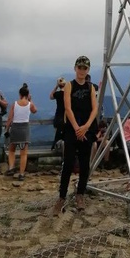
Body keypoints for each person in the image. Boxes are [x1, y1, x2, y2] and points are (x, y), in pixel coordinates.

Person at [53, 55, 98, 215]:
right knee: (68, 163)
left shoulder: (91, 87)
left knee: (85, 165)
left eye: (84, 68)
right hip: (72, 130)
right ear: (75, 68)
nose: (82, 70)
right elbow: (67, 108)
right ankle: (62, 197)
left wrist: (85, 127)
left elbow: (95, 109)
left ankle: (80, 194)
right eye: (79, 67)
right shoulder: (69, 86)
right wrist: (77, 128)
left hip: (86, 130)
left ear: (88, 70)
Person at [4, 83, 37, 181]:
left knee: (11, 149)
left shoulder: (15, 104)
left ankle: (11, 167)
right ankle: (21, 174)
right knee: (24, 153)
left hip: (15, 128)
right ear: (27, 94)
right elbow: (35, 111)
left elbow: (10, 118)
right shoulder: (30, 104)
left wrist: (7, 129)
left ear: (20, 94)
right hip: (25, 129)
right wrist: (30, 100)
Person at [50, 76, 66, 150]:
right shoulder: (67, 94)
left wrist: (56, 86)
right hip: (66, 116)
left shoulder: (58, 94)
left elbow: (51, 96)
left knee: (57, 132)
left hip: (58, 115)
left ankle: (56, 146)